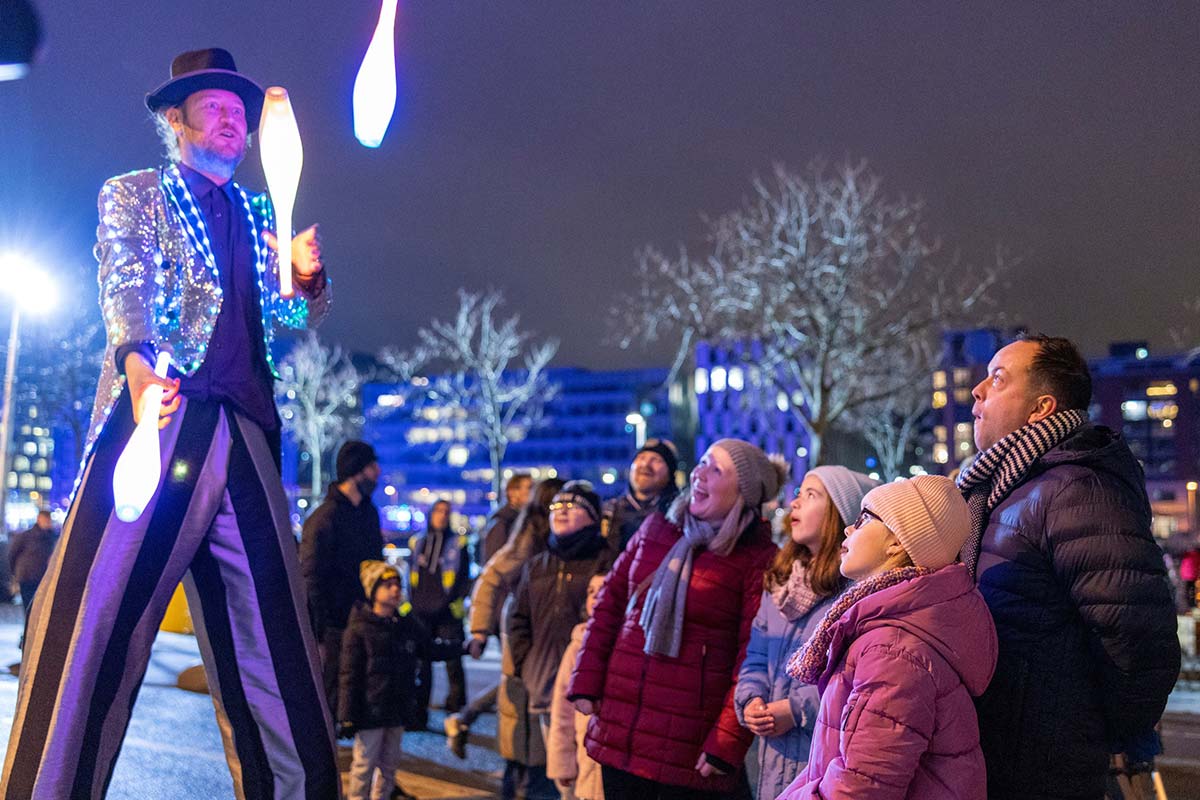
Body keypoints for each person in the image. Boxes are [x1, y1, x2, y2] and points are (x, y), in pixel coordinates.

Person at [1, 48, 338, 798]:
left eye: (240, 112)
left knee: (277, 650)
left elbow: (282, 313)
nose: (234, 119)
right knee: (91, 630)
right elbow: (127, 280)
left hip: (246, 433)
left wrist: (306, 276)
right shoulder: (136, 195)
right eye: (215, 105)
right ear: (174, 120)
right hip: (158, 414)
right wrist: (138, 363)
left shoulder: (258, 214)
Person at [958, 334, 1180, 799]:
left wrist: (1089, 735)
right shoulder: (999, 487)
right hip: (994, 754)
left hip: (1044, 768)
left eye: (997, 379)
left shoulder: (1078, 489)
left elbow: (1135, 639)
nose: (978, 391)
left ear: (1042, 409)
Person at [568, 438, 784, 799]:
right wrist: (586, 682)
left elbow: (755, 656)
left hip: (690, 746)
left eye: (717, 469)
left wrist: (728, 740)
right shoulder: (657, 530)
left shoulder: (757, 558)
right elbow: (609, 603)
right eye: (702, 462)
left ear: (745, 491)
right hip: (622, 728)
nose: (700, 473)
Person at [778, 475, 998, 799]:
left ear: (897, 541)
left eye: (864, 519)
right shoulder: (893, 629)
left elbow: (859, 789)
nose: (848, 529)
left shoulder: (893, 652)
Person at [734, 466, 877, 799]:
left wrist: (796, 709)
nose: (796, 503)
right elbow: (756, 654)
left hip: (821, 758)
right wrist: (751, 698)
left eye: (812, 495)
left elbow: (853, 678)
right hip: (774, 755)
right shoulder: (782, 583)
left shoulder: (853, 592)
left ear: (838, 516)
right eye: (799, 492)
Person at [457, 477, 563, 798]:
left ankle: (466, 718)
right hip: (523, 633)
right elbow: (491, 576)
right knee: (520, 706)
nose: (565, 512)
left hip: (553, 639)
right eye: (558, 505)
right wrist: (478, 629)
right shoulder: (526, 537)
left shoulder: (579, 542)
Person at [509, 482, 616, 800]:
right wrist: (527, 667)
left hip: (590, 693)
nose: (562, 512)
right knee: (562, 777)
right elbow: (518, 621)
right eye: (556, 507)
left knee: (592, 776)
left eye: (573, 506)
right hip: (544, 686)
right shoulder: (537, 565)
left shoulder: (607, 563)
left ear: (593, 517)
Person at [301, 439, 385, 716]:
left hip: (363, 620)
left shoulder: (369, 514)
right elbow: (312, 577)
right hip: (335, 625)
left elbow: (376, 567)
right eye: (372, 466)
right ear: (356, 471)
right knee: (331, 690)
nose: (378, 473)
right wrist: (320, 630)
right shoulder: (325, 518)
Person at [339, 561, 426, 800]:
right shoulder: (359, 628)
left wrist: (463, 648)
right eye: (388, 585)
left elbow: (427, 648)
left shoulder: (404, 625)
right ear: (373, 591)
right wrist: (346, 715)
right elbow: (349, 675)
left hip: (397, 708)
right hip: (371, 712)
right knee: (363, 766)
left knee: (389, 766)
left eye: (397, 584)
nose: (395, 590)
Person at [408, 499, 471, 726]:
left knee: (453, 660)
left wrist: (452, 602)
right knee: (421, 664)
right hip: (421, 612)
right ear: (431, 514)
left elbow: (463, 579)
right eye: (438, 511)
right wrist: (413, 605)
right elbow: (412, 578)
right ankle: (419, 711)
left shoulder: (459, 543)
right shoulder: (418, 542)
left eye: (447, 512)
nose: (442, 516)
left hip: (448, 611)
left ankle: (457, 711)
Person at [547, 571, 608, 800]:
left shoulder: (628, 642)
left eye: (603, 591)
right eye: (591, 592)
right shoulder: (578, 645)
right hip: (585, 765)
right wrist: (562, 763)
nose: (595, 597)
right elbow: (562, 710)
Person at [604, 439, 680, 552]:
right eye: (641, 458)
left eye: (656, 460)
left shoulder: (679, 513)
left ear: (670, 472)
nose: (645, 465)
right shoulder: (609, 511)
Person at [8, 509, 58, 648]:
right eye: (46, 520)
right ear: (39, 519)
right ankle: (27, 637)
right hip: (28, 577)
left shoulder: (52, 537)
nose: (48, 523)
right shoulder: (27, 536)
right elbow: (13, 554)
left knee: (39, 608)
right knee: (29, 608)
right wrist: (16, 573)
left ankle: (32, 636)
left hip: (43, 578)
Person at [481, 472, 533, 565]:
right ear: (512, 492)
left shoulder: (521, 519)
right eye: (529, 488)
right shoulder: (501, 523)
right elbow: (493, 561)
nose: (533, 492)